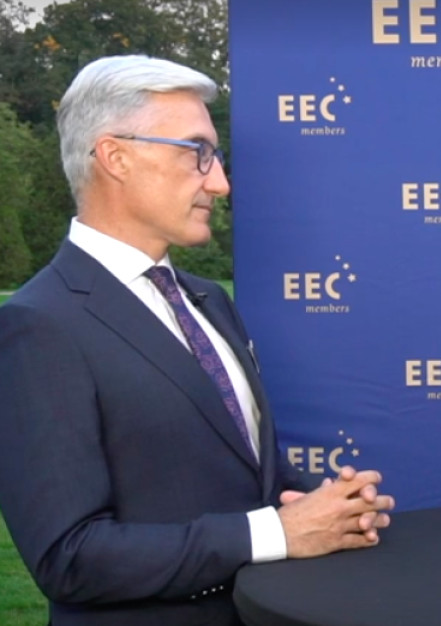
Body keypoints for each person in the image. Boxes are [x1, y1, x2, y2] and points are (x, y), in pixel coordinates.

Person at [0, 55, 394, 626]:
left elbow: (239, 468)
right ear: (116, 157)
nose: (220, 182)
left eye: (217, 156)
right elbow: (69, 558)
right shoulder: (39, 324)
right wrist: (275, 533)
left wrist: (325, 508)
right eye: (196, 152)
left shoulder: (208, 298)